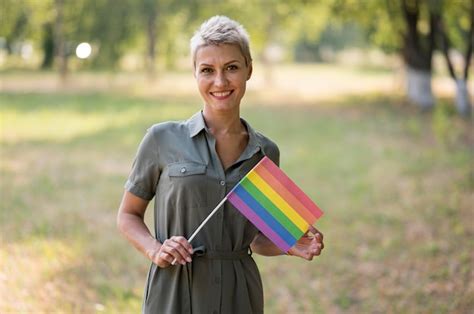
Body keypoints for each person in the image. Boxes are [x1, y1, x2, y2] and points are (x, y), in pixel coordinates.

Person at [117, 15, 324, 314]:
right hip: (174, 289)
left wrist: (289, 244)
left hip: (239, 295)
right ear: (195, 74)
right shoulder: (161, 139)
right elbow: (127, 215)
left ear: (249, 69)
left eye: (231, 68)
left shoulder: (265, 151)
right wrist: (155, 249)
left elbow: (256, 238)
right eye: (207, 70)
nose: (220, 81)